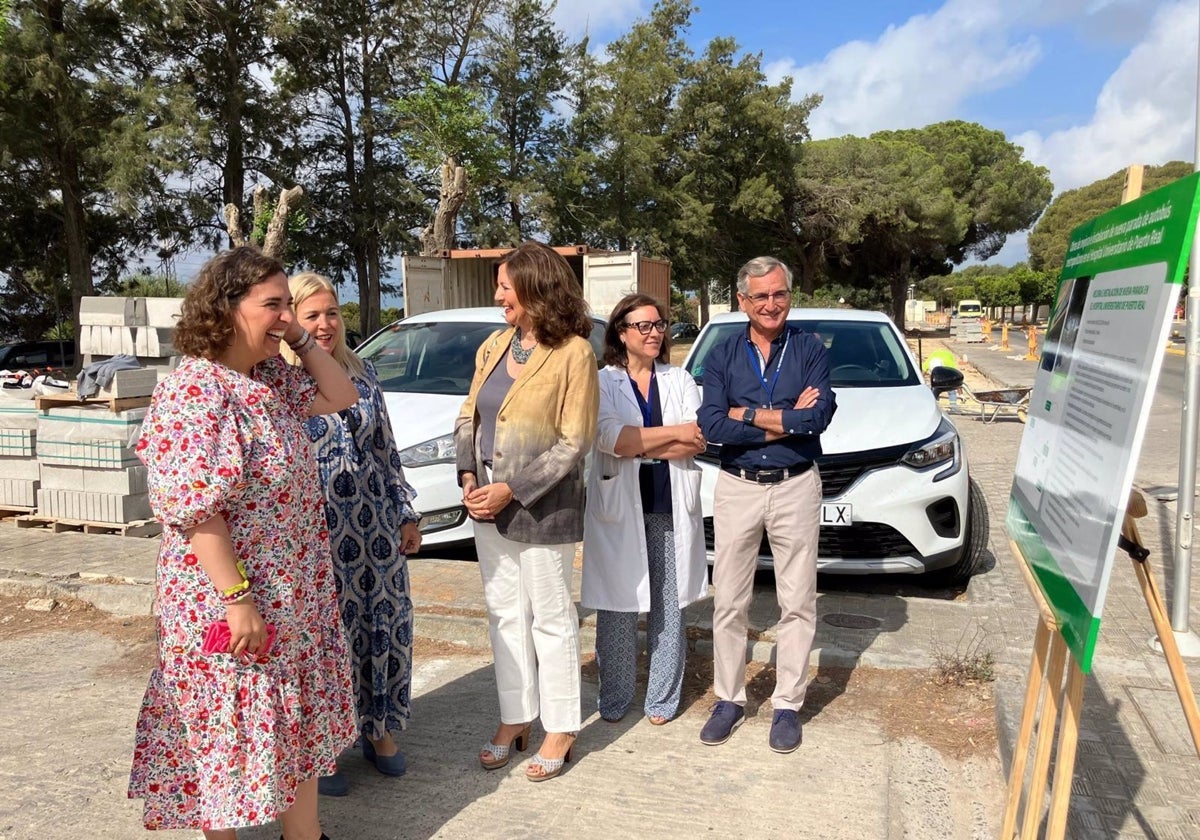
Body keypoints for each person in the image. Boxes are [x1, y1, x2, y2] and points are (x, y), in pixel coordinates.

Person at [128, 247, 360, 839]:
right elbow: (197, 511)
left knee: (295, 726)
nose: (283, 316)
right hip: (229, 602)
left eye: (289, 304)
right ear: (228, 309)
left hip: (292, 595)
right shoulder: (197, 391)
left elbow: (342, 396)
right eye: (271, 305)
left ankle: (303, 835)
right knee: (224, 736)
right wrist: (238, 598)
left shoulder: (269, 378)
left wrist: (303, 341)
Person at [454, 241, 599, 782]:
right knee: (504, 613)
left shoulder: (574, 354)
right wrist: (469, 476)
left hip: (540, 506)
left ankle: (561, 726)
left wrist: (511, 489)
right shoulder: (494, 346)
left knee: (552, 618)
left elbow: (574, 441)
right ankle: (515, 718)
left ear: (536, 288)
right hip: (485, 501)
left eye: (505, 287)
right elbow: (469, 416)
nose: (498, 296)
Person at [284, 272, 423, 796]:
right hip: (315, 530)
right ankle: (326, 747)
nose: (324, 324)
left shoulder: (362, 375)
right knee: (328, 637)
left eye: (331, 313)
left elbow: (386, 449)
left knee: (382, 623)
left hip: (377, 530)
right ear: (291, 321)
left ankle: (380, 730)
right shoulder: (280, 379)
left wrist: (405, 512)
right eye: (311, 315)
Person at [696, 256, 837, 754]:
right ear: (743, 301)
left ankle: (786, 706)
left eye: (779, 294)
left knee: (797, 601)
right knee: (730, 599)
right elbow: (712, 425)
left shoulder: (810, 348)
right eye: (761, 296)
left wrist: (748, 413)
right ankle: (730, 700)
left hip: (796, 485)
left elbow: (818, 418)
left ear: (788, 296)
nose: (771, 304)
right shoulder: (722, 355)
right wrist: (781, 416)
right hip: (737, 485)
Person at [581, 294, 708, 726]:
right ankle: (615, 697)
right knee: (617, 607)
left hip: (670, 505)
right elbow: (612, 440)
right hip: (620, 507)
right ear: (621, 332)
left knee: (668, 605)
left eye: (660, 325)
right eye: (644, 326)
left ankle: (661, 699)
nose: (655, 333)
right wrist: (669, 436)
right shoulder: (601, 382)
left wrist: (643, 440)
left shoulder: (679, 378)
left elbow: (698, 437)